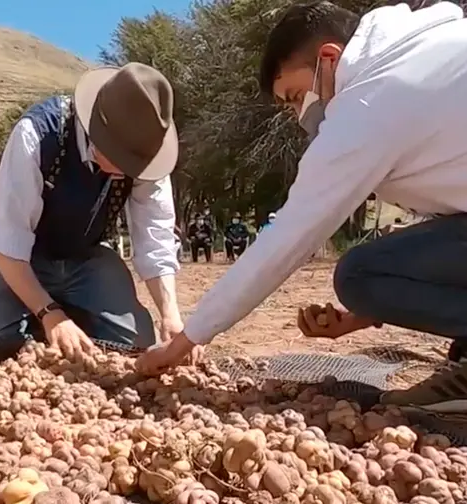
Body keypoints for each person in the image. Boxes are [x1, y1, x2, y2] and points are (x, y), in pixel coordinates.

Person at [136, 1, 467, 405]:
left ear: (330, 58)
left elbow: (284, 241)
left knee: (359, 275)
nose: (298, 116)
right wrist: (365, 316)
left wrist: (183, 343)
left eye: (295, 96)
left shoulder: (369, 101)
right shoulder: (430, 50)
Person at [0, 62, 196, 361]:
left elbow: (155, 239)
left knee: (136, 341)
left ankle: (72, 318)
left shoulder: (145, 150)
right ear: (97, 132)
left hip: (87, 259)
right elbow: (6, 242)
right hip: (25, 260)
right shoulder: (37, 135)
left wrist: (170, 314)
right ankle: (41, 318)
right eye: (122, 158)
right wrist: (50, 314)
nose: (129, 172)